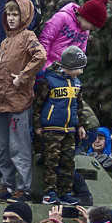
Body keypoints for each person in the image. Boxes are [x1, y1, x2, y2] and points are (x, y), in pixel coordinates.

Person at [0, 0, 47, 203]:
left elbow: (41, 56)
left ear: (25, 16)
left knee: (18, 146)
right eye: (9, 15)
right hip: (2, 101)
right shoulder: (5, 41)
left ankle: (23, 188)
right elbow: (0, 67)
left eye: (16, 15)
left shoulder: (28, 36)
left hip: (19, 102)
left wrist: (23, 76)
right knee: (3, 146)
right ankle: (7, 185)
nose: (11, 19)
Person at [37, 46, 97, 205]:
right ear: (69, 66)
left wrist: (80, 126)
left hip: (70, 130)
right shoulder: (49, 80)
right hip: (52, 129)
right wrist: (37, 125)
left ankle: (65, 193)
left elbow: (78, 107)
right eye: (79, 68)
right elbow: (38, 104)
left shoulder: (77, 83)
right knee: (52, 162)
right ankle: (49, 193)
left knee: (68, 163)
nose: (81, 72)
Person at [39, 0, 107, 66]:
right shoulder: (63, 17)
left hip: (65, 69)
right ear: (87, 17)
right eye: (93, 25)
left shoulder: (85, 31)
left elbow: (80, 53)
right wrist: (42, 63)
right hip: (48, 64)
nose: (92, 29)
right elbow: (45, 39)